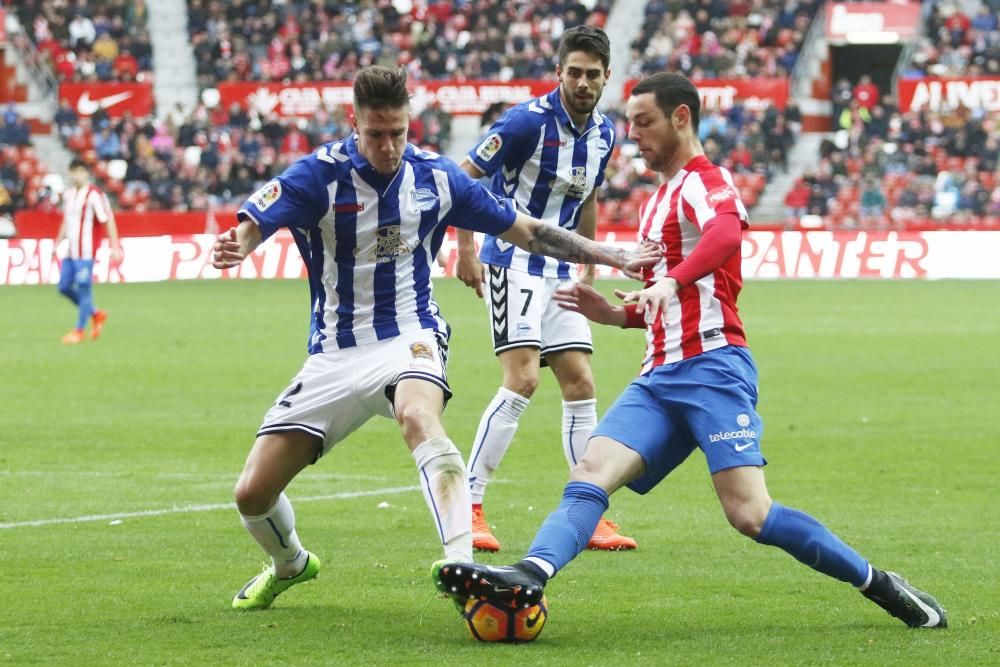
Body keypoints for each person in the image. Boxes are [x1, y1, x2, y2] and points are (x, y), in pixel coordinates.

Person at [433, 73, 947, 630]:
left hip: (713, 368)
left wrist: (669, 282)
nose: (634, 136)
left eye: (645, 122)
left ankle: (882, 585)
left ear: (682, 118)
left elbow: (726, 236)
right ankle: (529, 574)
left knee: (749, 514)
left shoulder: (707, 180)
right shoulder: (656, 203)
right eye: (629, 124)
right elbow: (666, 299)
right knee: (590, 471)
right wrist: (616, 314)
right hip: (659, 376)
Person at [211, 65, 657, 611]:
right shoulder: (319, 175)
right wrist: (241, 242)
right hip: (333, 353)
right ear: (354, 122)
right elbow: (257, 218)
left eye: (398, 132)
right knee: (252, 494)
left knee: (419, 417)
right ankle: (291, 564)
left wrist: (608, 252)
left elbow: (528, 230)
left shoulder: (436, 177)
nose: (389, 146)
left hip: (409, 334)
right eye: (376, 134)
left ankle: (462, 564)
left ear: (409, 122)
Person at [454, 25, 636, 552]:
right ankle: (469, 504)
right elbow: (463, 178)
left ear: (606, 78)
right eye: (573, 72)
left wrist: (592, 264)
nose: (582, 82)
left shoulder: (604, 133)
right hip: (512, 261)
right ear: (559, 72)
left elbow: (590, 198)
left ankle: (589, 508)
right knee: (524, 380)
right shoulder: (522, 123)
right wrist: (466, 250)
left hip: (561, 272)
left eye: (592, 74)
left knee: (580, 381)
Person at [55, 158, 122, 344]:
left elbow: (107, 220)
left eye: (80, 171)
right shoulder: (68, 194)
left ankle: (79, 331)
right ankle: (96, 313)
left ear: (87, 173)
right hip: (70, 252)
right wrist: (57, 243)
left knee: (84, 289)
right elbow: (66, 221)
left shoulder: (94, 194)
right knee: (63, 287)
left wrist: (115, 247)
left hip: (86, 252)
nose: (76, 175)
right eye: (73, 171)